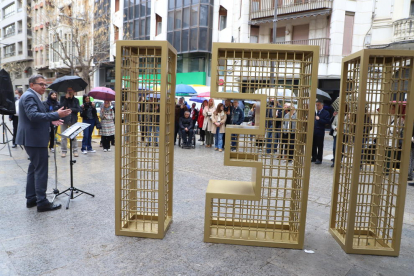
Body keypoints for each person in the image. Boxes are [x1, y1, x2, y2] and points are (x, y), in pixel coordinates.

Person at [16, 74, 72, 212]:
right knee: (41, 170)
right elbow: (33, 116)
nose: (44, 87)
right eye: (41, 84)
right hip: (34, 139)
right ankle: (42, 202)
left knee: (33, 168)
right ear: (31, 85)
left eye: (45, 84)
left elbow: (35, 116)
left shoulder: (32, 95)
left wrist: (50, 120)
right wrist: (56, 115)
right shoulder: (29, 96)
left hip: (32, 138)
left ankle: (31, 198)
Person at [60, 87, 81, 157]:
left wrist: (71, 109)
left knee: (74, 136)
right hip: (64, 119)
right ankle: (64, 151)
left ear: (74, 91)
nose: (70, 91)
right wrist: (66, 99)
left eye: (71, 90)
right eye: (68, 90)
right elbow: (61, 107)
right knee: (64, 136)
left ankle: (75, 151)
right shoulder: (62, 98)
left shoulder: (76, 100)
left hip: (73, 119)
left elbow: (78, 109)